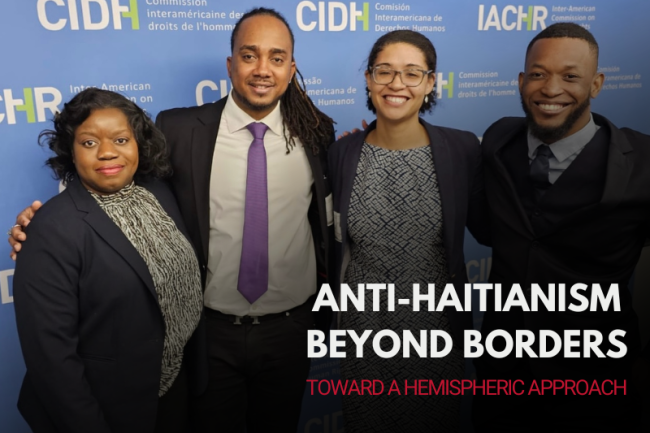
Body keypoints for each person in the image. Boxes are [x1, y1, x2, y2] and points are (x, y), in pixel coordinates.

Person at [9, 8, 335, 433]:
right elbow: (114, 188)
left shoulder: (317, 132)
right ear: (230, 64)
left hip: (291, 330)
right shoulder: (179, 129)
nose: (262, 69)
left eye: (277, 58)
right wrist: (41, 228)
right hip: (208, 336)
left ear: (291, 69)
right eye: (249, 55)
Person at [473, 22, 650, 432]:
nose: (551, 89)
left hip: (598, 382)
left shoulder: (642, 161)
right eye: (538, 74)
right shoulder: (497, 141)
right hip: (502, 378)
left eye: (571, 76)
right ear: (521, 80)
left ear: (597, 83)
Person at [12, 88, 205, 433]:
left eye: (120, 139)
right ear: (71, 150)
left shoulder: (158, 191)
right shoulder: (51, 229)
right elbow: (52, 360)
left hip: (172, 389)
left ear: (137, 144)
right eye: (89, 143)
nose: (106, 153)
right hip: (107, 406)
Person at [328, 30, 489, 432]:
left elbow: (491, 228)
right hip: (363, 337)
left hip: (435, 335)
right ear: (368, 79)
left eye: (412, 73)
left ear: (431, 82)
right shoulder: (341, 154)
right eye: (385, 72)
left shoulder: (463, 150)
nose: (397, 84)